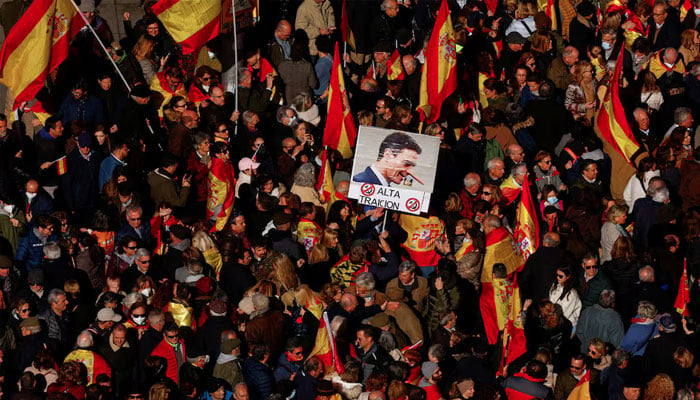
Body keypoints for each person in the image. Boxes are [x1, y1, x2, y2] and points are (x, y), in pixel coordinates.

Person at [353, 132, 423, 186]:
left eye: (412, 166)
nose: (410, 172)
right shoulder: (358, 183)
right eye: (407, 164)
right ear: (387, 154)